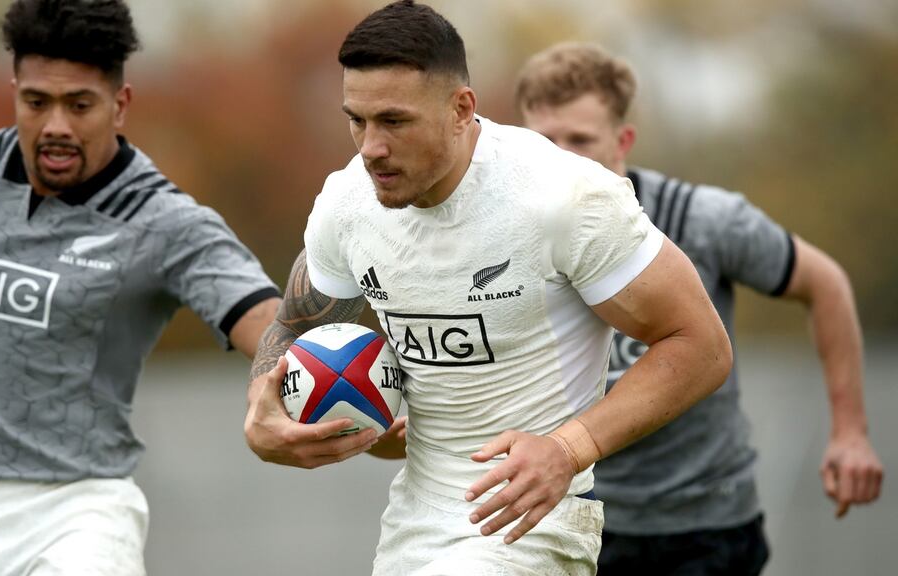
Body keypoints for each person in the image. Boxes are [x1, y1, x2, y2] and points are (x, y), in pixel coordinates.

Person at [243, 2, 732, 574]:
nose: (370, 147)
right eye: (357, 120)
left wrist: (569, 449)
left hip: (533, 525)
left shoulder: (563, 196)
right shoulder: (348, 204)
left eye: (394, 122)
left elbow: (701, 345)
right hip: (414, 523)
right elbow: (295, 325)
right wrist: (262, 411)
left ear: (461, 108)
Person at [0, 0, 281, 573]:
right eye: (36, 102)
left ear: (120, 105)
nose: (55, 125)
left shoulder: (165, 222)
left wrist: (287, 383)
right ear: (15, 90)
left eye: (79, 104)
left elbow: (268, 323)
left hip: (78, 515)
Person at [514, 42, 884, 575]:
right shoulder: (509, 244)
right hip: (576, 521)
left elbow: (824, 284)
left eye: (581, 140)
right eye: (547, 141)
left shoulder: (704, 222)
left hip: (706, 527)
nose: (563, 158)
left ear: (623, 140)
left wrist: (850, 432)